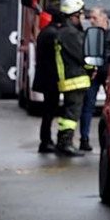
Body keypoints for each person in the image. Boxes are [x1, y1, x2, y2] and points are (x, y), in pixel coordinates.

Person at [49, 0, 93, 156]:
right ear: (74, 15)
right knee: (72, 114)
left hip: (70, 79)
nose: (83, 18)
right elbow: (82, 55)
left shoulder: (65, 32)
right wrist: (92, 66)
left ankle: (63, 141)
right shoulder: (70, 33)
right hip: (75, 79)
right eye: (81, 14)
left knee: (68, 114)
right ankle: (66, 143)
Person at [76, 7, 110, 152]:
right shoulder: (89, 34)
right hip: (93, 74)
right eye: (90, 18)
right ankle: (84, 139)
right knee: (88, 106)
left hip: (108, 73)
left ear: (104, 19)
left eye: (94, 18)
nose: (91, 21)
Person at [34, 9, 63, 154]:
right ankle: (46, 141)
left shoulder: (45, 32)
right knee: (49, 112)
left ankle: (46, 140)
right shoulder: (53, 34)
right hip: (51, 80)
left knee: (48, 111)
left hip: (45, 78)